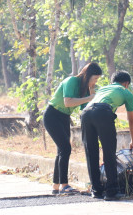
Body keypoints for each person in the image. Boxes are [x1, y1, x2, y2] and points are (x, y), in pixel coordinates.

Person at [43, 62, 102, 195]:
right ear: (87, 75)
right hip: (52, 114)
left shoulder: (85, 88)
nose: (96, 81)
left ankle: (56, 186)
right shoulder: (71, 81)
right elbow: (67, 102)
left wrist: (91, 93)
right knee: (65, 148)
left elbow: (85, 108)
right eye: (95, 78)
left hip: (65, 117)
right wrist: (89, 97)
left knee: (62, 150)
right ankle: (64, 185)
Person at [81, 70, 133, 201]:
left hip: (86, 113)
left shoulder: (103, 89)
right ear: (126, 83)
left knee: (91, 152)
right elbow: (132, 120)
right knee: (109, 152)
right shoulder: (126, 92)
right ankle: (111, 191)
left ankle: (96, 190)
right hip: (103, 112)